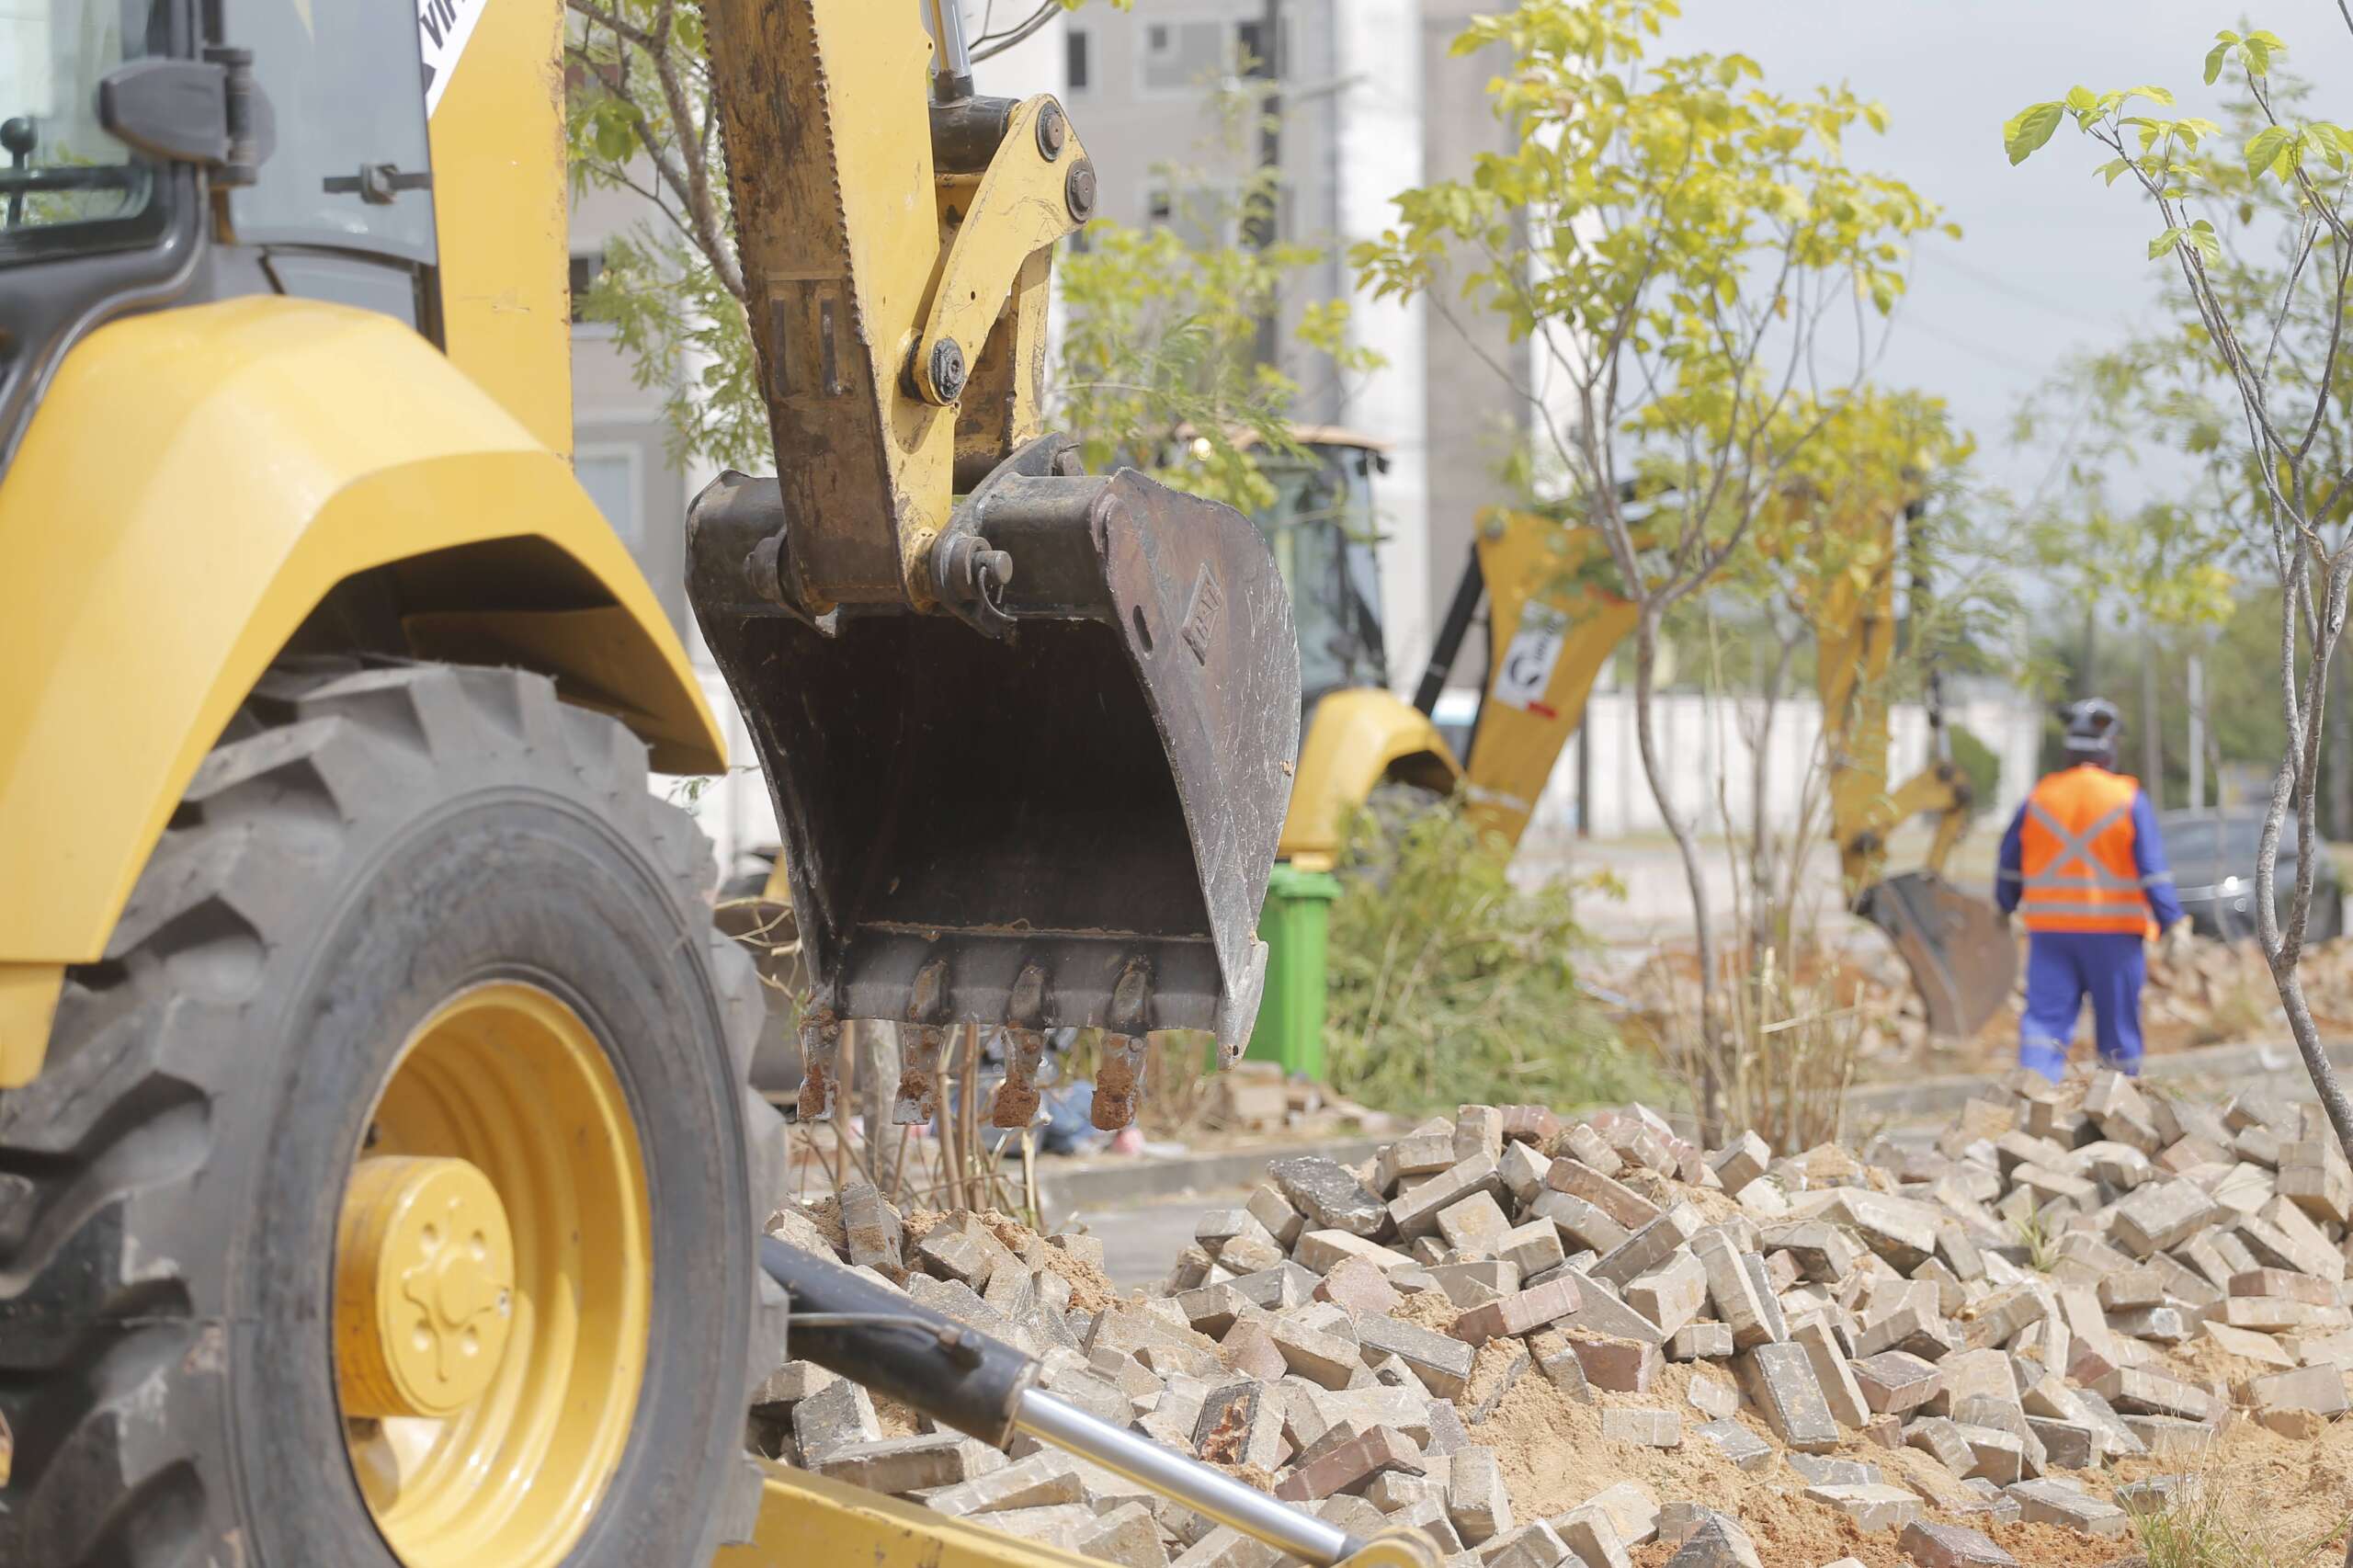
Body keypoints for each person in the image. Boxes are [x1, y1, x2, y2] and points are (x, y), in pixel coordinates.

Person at [1995, 699, 2191, 1080]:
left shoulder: (2040, 797)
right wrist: (2173, 923)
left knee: (2043, 1027)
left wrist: (2004, 905)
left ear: (2069, 747)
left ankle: (2033, 1105)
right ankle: (2119, 1115)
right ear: (2109, 747)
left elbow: (2009, 864)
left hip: (2052, 935)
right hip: (2114, 937)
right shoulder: (2128, 797)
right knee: (2118, 1034)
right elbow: (2153, 873)